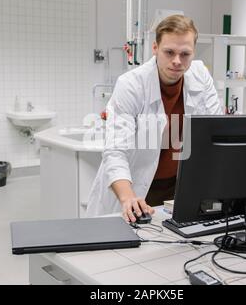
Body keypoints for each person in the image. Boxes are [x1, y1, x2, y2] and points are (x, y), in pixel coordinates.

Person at [86, 15, 223, 222]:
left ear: (193, 52)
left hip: (180, 189)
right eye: (169, 52)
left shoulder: (201, 76)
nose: (177, 61)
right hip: (137, 188)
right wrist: (127, 198)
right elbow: (115, 151)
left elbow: (215, 131)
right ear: (155, 48)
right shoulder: (131, 84)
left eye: (185, 54)